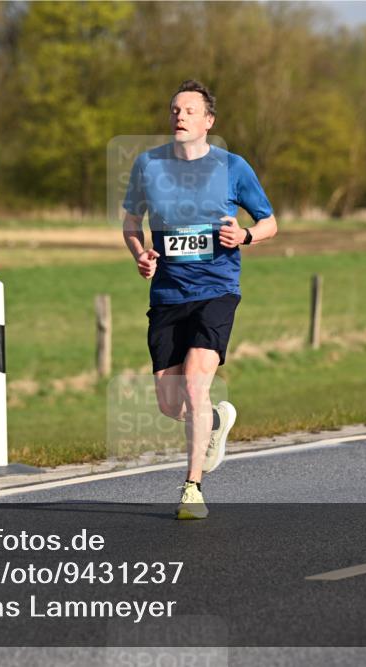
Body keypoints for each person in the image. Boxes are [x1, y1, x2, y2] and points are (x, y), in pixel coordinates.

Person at [121, 80, 277, 519]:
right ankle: (215, 418)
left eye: (189, 110)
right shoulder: (148, 166)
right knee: (172, 405)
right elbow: (132, 224)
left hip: (217, 288)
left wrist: (245, 235)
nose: (179, 116)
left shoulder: (233, 167)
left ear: (208, 121)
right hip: (169, 292)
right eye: (174, 109)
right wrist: (141, 256)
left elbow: (269, 222)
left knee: (195, 383)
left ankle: (192, 488)